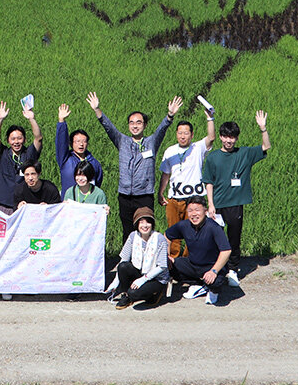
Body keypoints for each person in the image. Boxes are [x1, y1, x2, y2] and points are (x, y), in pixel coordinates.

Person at [87, 91, 182, 241]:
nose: (135, 126)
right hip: (125, 195)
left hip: (144, 195)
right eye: (131, 122)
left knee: (145, 230)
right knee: (127, 230)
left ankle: (147, 260)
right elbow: (108, 127)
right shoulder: (122, 141)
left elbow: (161, 130)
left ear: (144, 125)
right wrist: (97, 110)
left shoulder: (151, 142)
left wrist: (170, 116)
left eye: (138, 122)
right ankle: (127, 262)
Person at [202, 111, 271, 287]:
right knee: (214, 239)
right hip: (217, 206)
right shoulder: (213, 157)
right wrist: (210, 204)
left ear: (237, 138)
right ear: (220, 137)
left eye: (232, 137)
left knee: (234, 238)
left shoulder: (244, 154)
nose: (228, 141)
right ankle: (214, 269)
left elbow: (266, 147)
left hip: (235, 204)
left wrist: (263, 128)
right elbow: (208, 182)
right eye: (225, 137)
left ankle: (232, 270)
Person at [158, 108, 216, 259]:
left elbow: (211, 137)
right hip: (174, 199)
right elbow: (166, 174)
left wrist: (210, 118)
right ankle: (173, 262)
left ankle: (189, 261)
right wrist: (160, 193)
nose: (183, 136)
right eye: (180, 133)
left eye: (186, 133)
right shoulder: (169, 151)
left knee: (194, 232)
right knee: (173, 232)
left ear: (192, 135)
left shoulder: (198, 148)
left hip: (194, 200)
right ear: (176, 134)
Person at [164, 196, 231, 305]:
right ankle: (200, 285)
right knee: (169, 265)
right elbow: (166, 236)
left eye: (197, 210)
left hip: (212, 266)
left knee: (216, 282)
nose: (194, 214)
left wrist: (213, 271)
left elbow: (226, 251)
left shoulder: (213, 227)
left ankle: (212, 290)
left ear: (205, 211)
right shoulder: (184, 225)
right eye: (190, 211)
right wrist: (166, 256)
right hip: (193, 264)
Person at [106, 207, 169, 310]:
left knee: (134, 293)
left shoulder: (159, 238)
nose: (145, 225)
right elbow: (124, 260)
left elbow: (162, 266)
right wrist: (116, 281)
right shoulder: (132, 236)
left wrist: (143, 280)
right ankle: (126, 296)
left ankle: (156, 293)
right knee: (123, 266)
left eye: (148, 222)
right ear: (136, 224)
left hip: (156, 278)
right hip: (140, 272)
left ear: (152, 224)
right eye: (141, 222)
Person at [0, 100, 43, 214]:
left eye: (19, 138)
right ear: (8, 140)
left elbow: (38, 138)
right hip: (5, 205)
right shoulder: (3, 153)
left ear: (24, 139)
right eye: (13, 139)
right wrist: (0, 119)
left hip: (25, 204)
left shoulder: (29, 154)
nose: (16, 142)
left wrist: (31, 119)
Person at [54, 103, 103, 195]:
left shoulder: (94, 163)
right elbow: (61, 143)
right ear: (71, 143)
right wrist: (61, 121)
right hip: (69, 204)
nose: (81, 144)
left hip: (87, 204)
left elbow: (98, 183)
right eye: (77, 141)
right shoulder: (65, 159)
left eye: (84, 141)